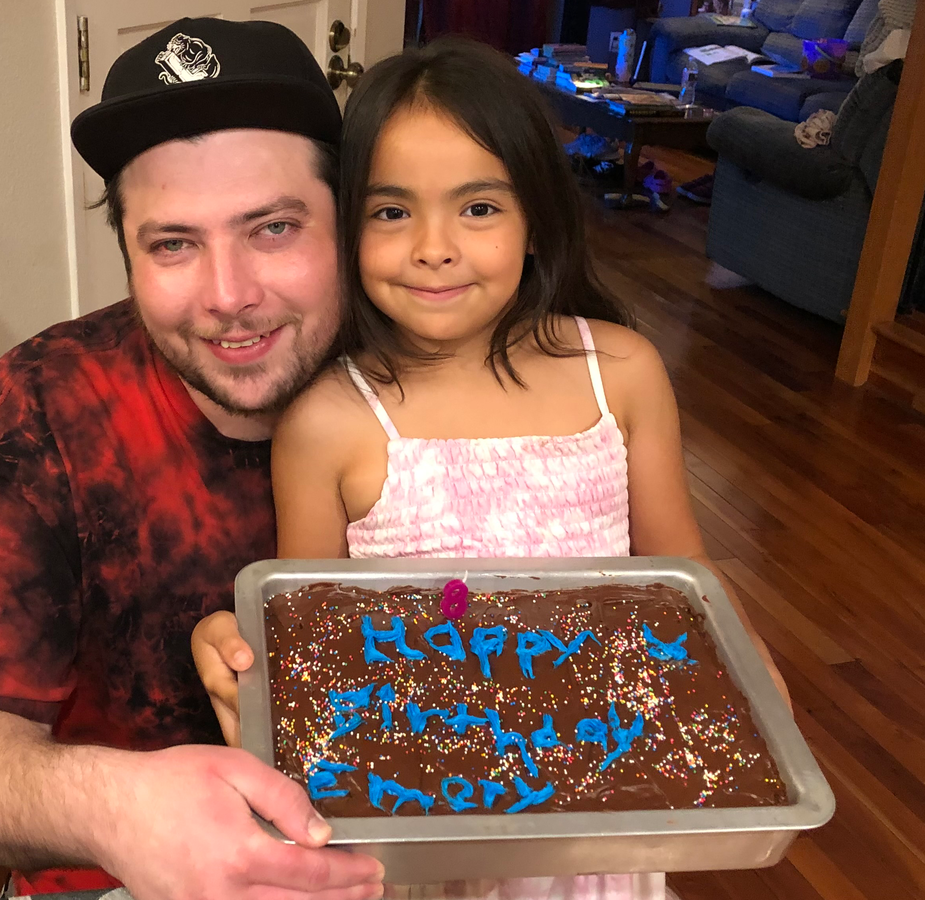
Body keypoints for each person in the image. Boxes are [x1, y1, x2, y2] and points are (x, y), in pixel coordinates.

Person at [193, 37, 790, 900]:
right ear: (346, 228)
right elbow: (315, 650)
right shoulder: (327, 423)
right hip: (426, 821)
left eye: (478, 207)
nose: (434, 248)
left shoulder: (620, 373)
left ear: (537, 219)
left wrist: (750, 676)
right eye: (391, 212)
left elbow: (683, 578)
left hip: (595, 806)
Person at [0, 17, 386, 900]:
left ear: (345, 222)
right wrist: (116, 810)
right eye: (173, 244)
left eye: (274, 228)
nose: (229, 296)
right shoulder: (37, 411)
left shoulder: (434, 381)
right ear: (126, 251)